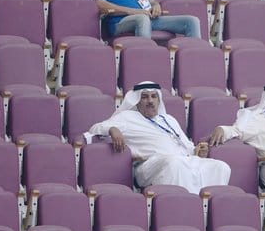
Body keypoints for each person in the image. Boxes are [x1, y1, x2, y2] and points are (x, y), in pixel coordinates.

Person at [84, 81, 230, 194]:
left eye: (154, 96)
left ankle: (204, 209)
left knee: (221, 167)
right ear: (137, 101)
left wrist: (197, 151)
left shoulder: (169, 119)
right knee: (173, 162)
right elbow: (95, 129)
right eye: (145, 97)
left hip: (183, 160)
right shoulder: (127, 117)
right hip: (148, 166)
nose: (150, 101)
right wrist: (113, 129)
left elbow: (186, 145)